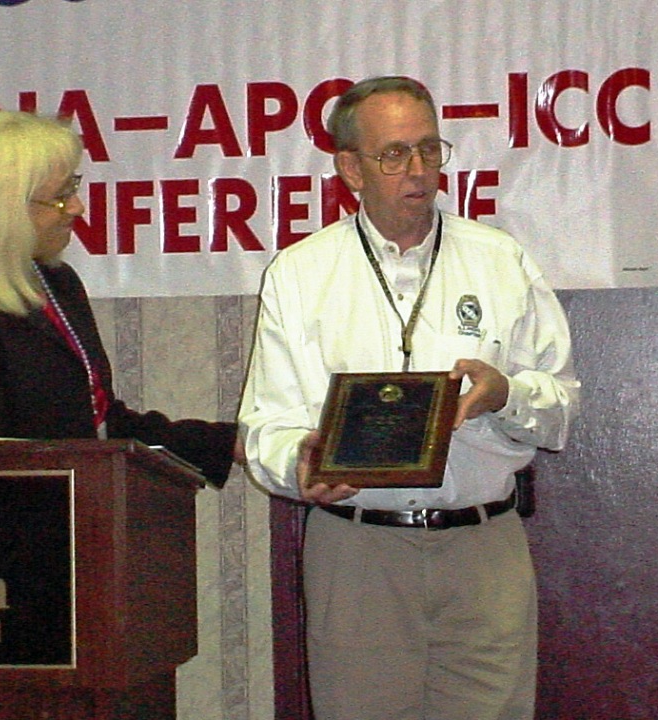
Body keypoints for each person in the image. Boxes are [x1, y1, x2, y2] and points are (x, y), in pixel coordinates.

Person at [238, 76, 579, 720]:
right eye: (394, 154)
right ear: (350, 168)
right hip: (357, 551)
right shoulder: (301, 273)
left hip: (484, 547)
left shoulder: (500, 260)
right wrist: (301, 463)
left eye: (429, 149)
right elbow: (266, 427)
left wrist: (505, 393)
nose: (417, 170)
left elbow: (560, 405)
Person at [0, 110, 237, 485]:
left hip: (86, 511)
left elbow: (101, 424)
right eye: (61, 196)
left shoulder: (57, 283)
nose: (77, 207)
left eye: (73, 188)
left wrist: (231, 442)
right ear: (4, 207)